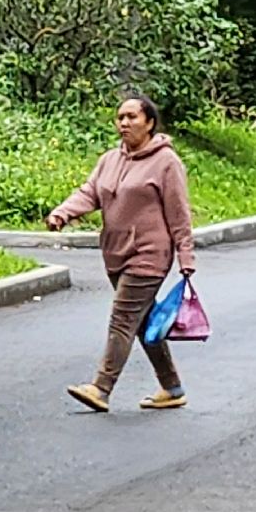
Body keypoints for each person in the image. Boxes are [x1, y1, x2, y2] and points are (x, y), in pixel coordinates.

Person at [46, 95, 195, 413]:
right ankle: (172, 387)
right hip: (115, 253)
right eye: (120, 118)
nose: (124, 123)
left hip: (149, 254)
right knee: (143, 323)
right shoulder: (110, 159)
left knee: (123, 318)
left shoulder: (167, 162)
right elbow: (90, 192)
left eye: (132, 117)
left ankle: (101, 387)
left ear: (150, 122)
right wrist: (63, 213)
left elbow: (179, 213)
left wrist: (186, 257)